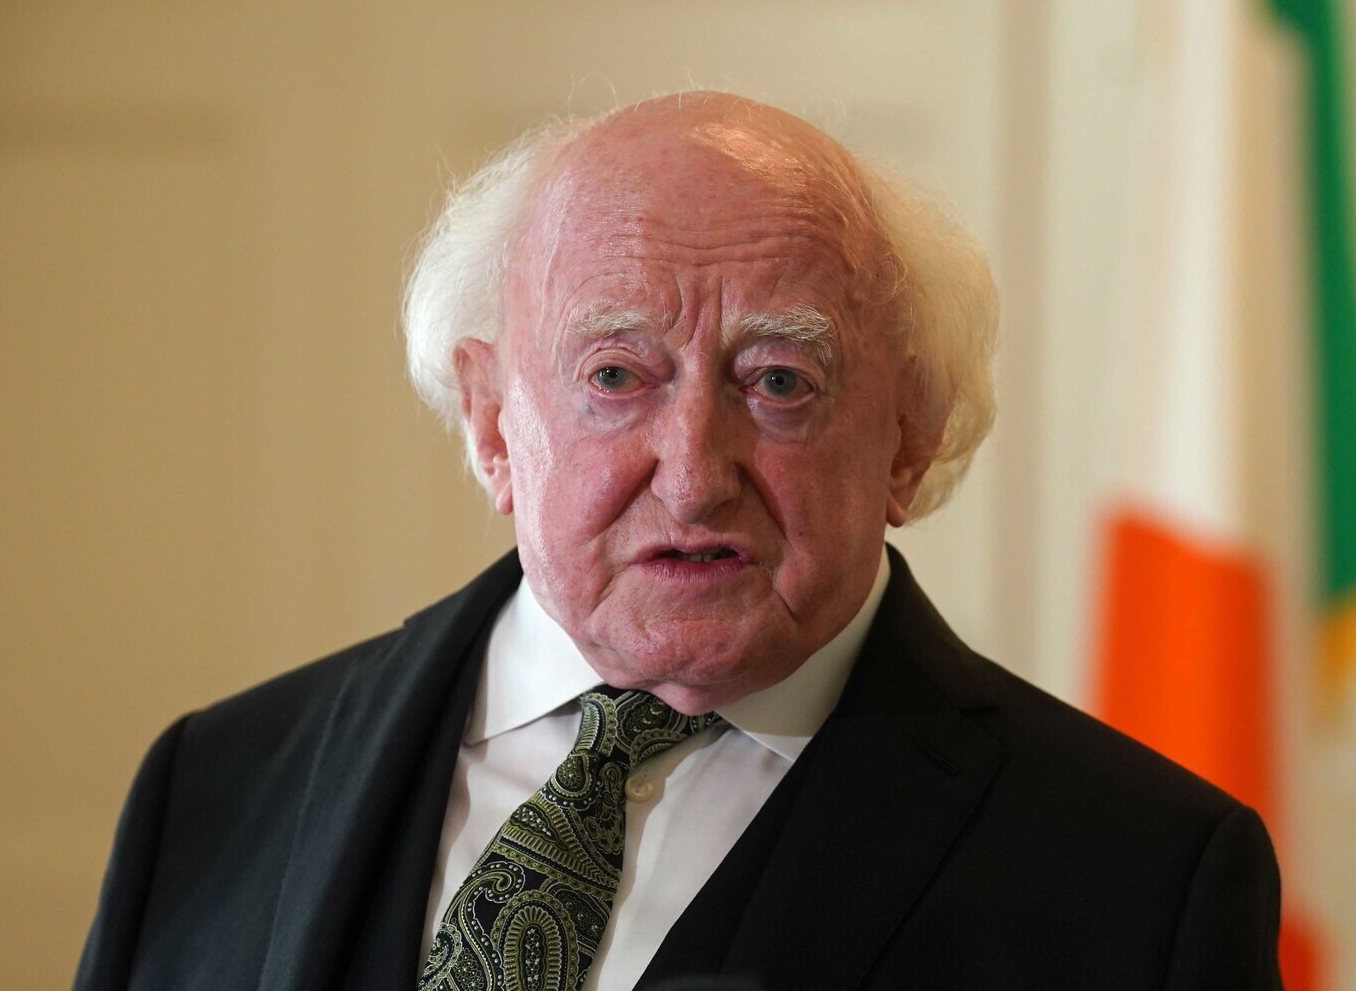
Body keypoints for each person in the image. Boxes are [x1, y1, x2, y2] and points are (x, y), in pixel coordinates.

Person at [75, 92, 1284, 991]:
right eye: (615, 375)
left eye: (779, 380)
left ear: (908, 435)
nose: (695, 474)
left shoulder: (1138, 881)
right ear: (493, 425)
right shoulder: (219, 783)